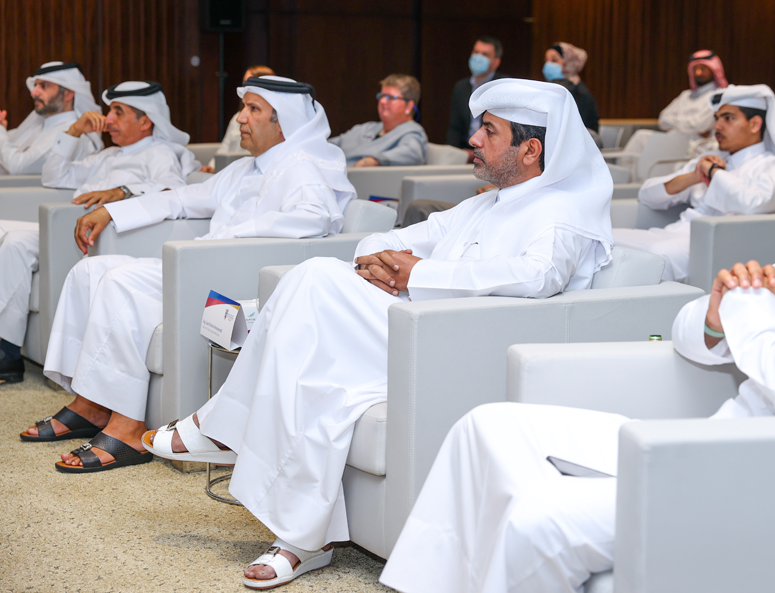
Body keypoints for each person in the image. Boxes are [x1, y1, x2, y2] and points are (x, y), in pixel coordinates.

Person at [379, 103, 775, 593]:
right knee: (487, 427)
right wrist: (725, 316)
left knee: (539, 519)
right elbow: (691, 330)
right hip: (724, 444)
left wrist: (747, 310)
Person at [143, 79, 614, 589]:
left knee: (317, 277)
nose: (473, 139)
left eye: (489, 131)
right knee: (318, 378)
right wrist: (383, 262)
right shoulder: (487, 203)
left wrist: (419, 275)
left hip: (461, 348)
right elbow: (394, 236)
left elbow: (537, 278)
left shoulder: (563, 214)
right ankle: (304, 539)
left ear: (531, 149)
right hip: (412, 330)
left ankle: (222, 425)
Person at [18, 76, 356, 468]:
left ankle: (127, 429)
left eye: (253, 109)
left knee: (120, 283)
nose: (241, 117)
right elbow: (181, 197)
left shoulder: (303, 168)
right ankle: (89, 403)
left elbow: (315, 220)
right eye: (243, 107)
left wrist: (227, 238)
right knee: (90, 271)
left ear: (284, 123)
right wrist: (113, 210)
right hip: (202, 265)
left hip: (237, 278)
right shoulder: (246, 168)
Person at [0, 81, 196, 385]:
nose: (109, 120)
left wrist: (123, 191)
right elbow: (54, 176)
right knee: (8, 236)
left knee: (13, 240)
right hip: (64, 229)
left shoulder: (159, 153)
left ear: (146, 121)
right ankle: (7, 352)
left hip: (102, 238)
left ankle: (6, 354)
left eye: (118, 112)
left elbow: (175, 190)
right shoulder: (108, 155)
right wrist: (74, 132)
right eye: (109, 112)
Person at [612, 85, 775, 282]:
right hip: (675, 233)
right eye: (717, 118)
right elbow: (647, 195)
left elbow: (753, 205)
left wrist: (714, 173)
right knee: (603, 239)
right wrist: (694, 176)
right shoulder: (707, 159)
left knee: (657, 256)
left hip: (720, 247)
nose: (717, 127)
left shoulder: (773, 167)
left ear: (755, 124)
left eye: (728, 118)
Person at [0, 61, 103, 174]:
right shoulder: (39, 127)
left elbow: (18, 167)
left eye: (44, 86)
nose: (34, 93)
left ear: (68, 94)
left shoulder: (72, 134)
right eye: (35, 85)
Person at [329, 74, 428, 166]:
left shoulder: (411, 132)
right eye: (381, 96)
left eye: (390, 97)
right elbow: (332, 144)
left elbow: (412, 154)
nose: (382, 101)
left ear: (409, 106)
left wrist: (374, 161)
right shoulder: (367, 128)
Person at [657, 49, 728, 157]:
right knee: (642, 139)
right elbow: (662, 120)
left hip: (697, 148)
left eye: (703, 68)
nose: (698, 73)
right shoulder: (685, 95)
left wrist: (675, 122)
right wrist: (691, 126)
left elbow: (700, 126)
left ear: (714, 70)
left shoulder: (719, 96)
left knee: (643, 141)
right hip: (673, 142)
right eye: (695, 69)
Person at [446, 37, 507, 152]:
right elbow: (454, 127)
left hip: (491, 151)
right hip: (465, 151)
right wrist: (453, 154)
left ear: (496, 62)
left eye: (485, 54)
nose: (478, 57)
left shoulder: (503, 87)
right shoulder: (461, 87)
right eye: (476, 52)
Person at [543, 43, 600, 135]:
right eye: (546, 60)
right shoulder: (558, 87)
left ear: (568, 62)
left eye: (554, 60)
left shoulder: (577, 92)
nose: (548, 64)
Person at [219, 65, 276, 153]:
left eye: (254, 108)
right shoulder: (237, 117)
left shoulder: (273, 118)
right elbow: (224, 147)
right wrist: (212, 166)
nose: (240, 119)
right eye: (244, 83)